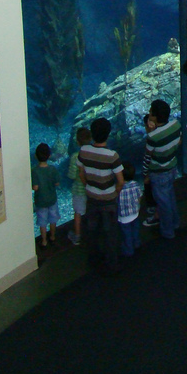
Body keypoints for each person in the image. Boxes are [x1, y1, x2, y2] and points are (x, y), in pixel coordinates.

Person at [78, 117, 124, 274]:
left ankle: (94, 260)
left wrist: (89, 186)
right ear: (108, 134)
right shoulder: (112, 155)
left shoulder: (83, 151)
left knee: (92, 231)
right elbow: (120, 180)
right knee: (110, 232)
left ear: (92, 135)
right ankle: (112, 264)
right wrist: (114, 192)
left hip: (91, 198)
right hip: (109, 200)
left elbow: (81, 173)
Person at [143, 98, 181, 239]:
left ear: (155, 117)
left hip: (158, 173)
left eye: (151, 112)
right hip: (172, 167)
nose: (149, 114)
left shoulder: (152, 136)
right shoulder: (176, 125)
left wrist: (145, 174)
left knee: (163, 203)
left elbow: (148, 157)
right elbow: (178, 141)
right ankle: (175, 223)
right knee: (170, 197)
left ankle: (168, 232)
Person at [32, 143, 60, 247]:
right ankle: (52, 237)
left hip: (40, 201)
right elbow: (57, 183)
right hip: (52, 199)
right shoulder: (52, 169)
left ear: (35, 156)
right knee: (53, 219)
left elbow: (35, 187)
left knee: (42, 222)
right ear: (49, 156)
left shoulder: (34, 171)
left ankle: (44, 241)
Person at [66, 126, 90, 246]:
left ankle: (77, 236)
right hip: (91, 189)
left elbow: (71, 175)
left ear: (77, 141)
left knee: (78, 213)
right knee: (90, 211)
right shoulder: (93, 153)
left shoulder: (75, 157)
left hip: (79, 190)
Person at [117, 161, 142, 256]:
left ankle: (128, 250)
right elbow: (139, 196)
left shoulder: (119, 188)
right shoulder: (136, 184)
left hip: (124, 217)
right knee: (135, 229)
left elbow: (116, 201)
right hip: (135, 213)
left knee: (126, 233)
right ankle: (137, 243)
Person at [142, 113, 159, 228]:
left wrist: (146, 173)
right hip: (155, 171)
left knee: (154, 191)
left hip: (152, 172)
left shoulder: (151, 140)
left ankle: (155, 213)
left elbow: (149, 158)